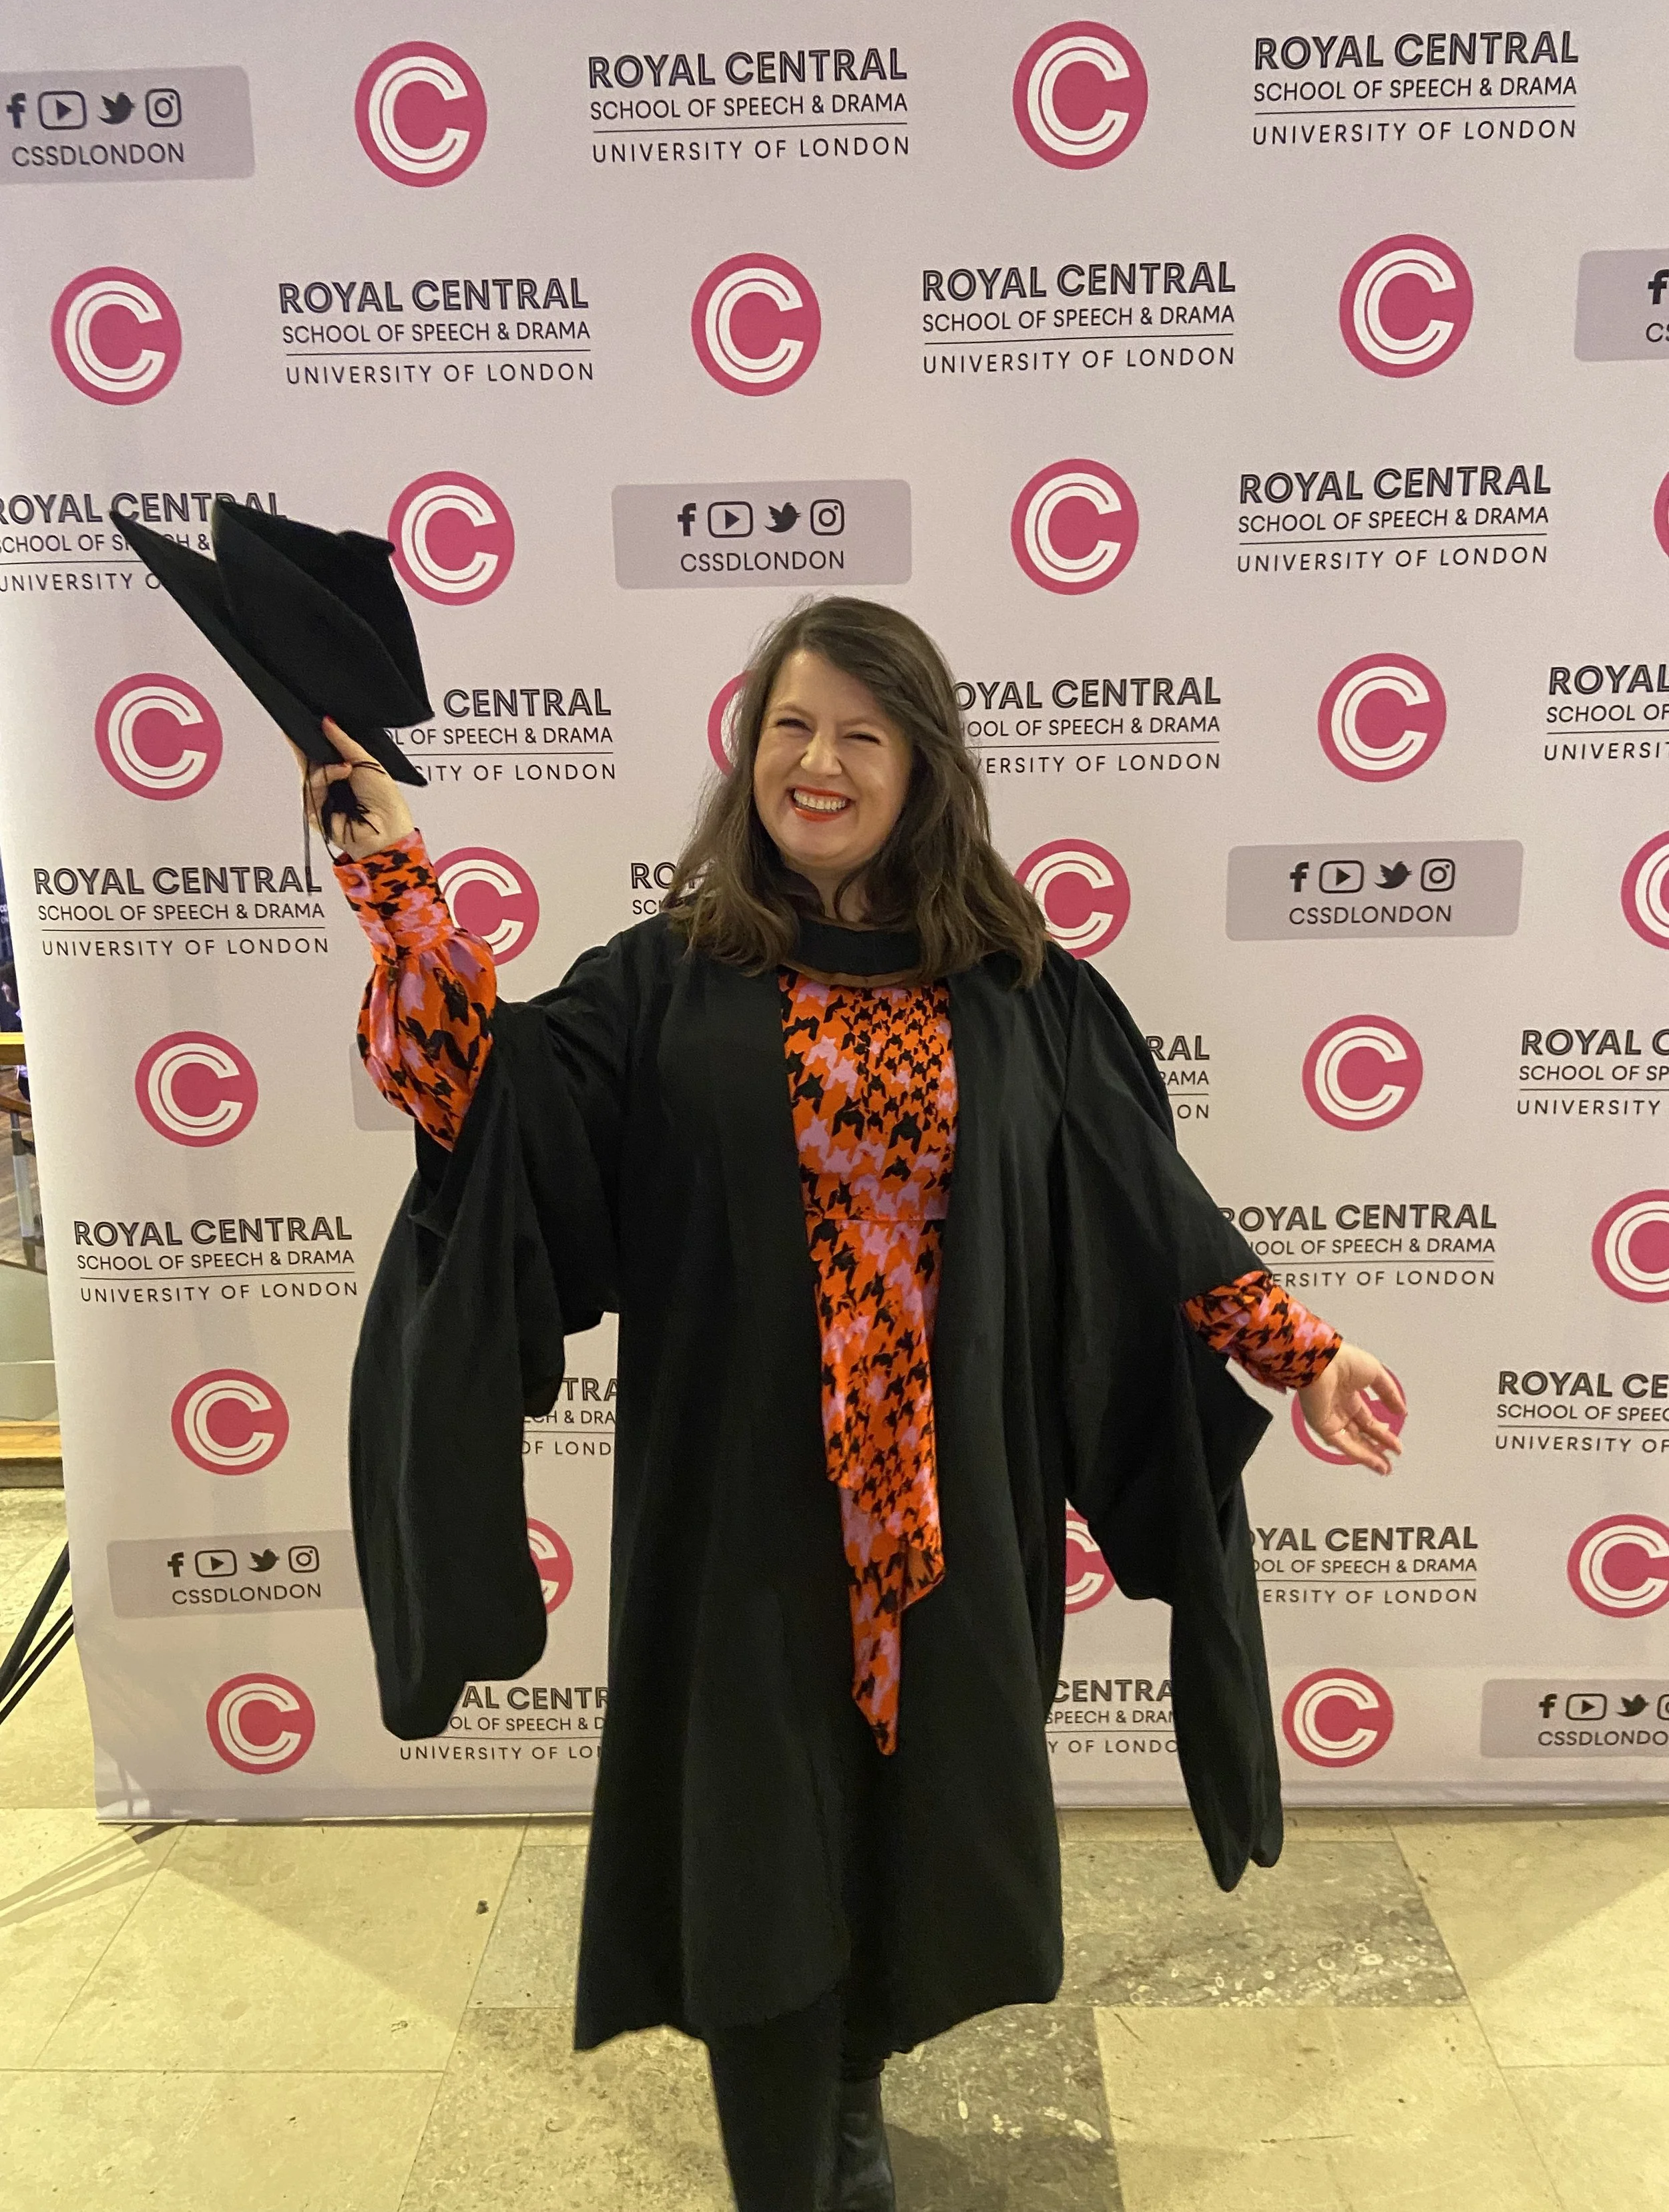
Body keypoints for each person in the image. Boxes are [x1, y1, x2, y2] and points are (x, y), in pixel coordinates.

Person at [305, 597, 1405, 2212]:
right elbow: (478, 1094)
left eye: (857, 734)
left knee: (912, 1834)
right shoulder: (667, 984)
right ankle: (791, 2165)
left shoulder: (1022, 990)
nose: (813, 764)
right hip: (743, 1528)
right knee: (758, 1837)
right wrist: (393, 873)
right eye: (786, 728)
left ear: (921, 765)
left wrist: (1302, 1348)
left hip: (950, 1523)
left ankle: (843, 2103)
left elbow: (1141, 1197)